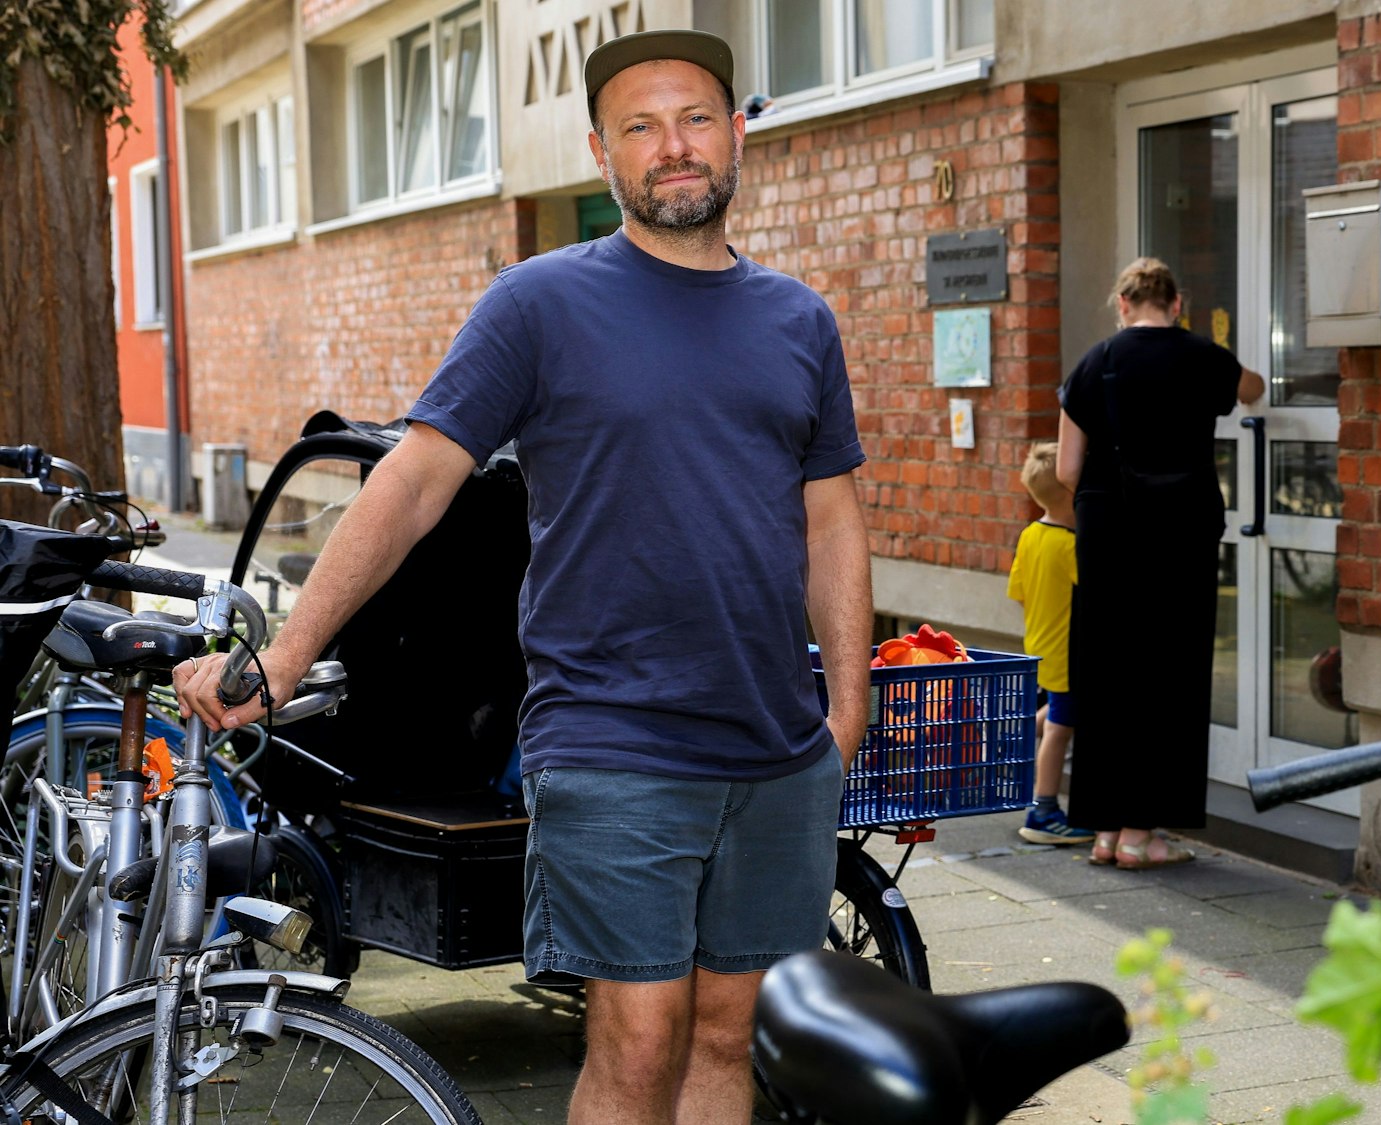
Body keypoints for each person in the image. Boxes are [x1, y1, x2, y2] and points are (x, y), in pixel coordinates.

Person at [175, 28, 872, 1125]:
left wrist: (844, 704)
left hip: (775, 745)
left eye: (694, 118)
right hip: (613, 739)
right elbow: (409, 485)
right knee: (638, 1040)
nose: (672, 146)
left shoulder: (799, 320)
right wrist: (286, 654)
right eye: (640, 127)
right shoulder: (539, 304)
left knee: (732, 1035)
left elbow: (830, 518)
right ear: (602, 153)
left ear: (737, 133)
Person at [1056, 257, 1263, 871]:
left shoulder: (1095, 362)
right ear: (1177, 304)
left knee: (1107, 673)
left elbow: (1067, 469)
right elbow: (1252, 389)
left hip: (1108, 532)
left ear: (1122, 304)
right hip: (1179, 534)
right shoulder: (1202, 356)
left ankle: (1103, 831)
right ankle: (1142, 835)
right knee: (1168, 675)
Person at [1006, 441, 1093, 846]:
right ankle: (1043, 810)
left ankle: (1012, 742)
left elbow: (1019, 591)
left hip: (1039, 645)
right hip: (1069, 655)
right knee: (1061, 727)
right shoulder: (1070, 545)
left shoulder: (1030, 536)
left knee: (1052, 711)